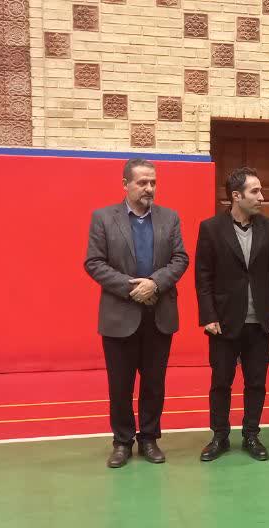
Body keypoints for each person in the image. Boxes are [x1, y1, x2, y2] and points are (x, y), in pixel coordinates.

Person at [84, 158, 189, 468]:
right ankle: (122, 442)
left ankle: (149, 439)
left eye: (153, 182)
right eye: (142, 182)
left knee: (154, 383)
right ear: (125, 184)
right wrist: (132, 288)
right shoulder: (103, 218)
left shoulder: (170, 218)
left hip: (159, 315)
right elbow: (94, 262)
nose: (149, 188)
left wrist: (154, 283)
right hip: (120, 316)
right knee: (120, 385)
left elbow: (180, 259)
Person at [195, 167, 269, 462]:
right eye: (254, 191)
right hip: (223, 322)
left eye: (260, 190)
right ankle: (219, 436)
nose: (261, 197)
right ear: (236, 195)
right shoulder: (211, 228)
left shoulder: (268, 228)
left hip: (259, 322)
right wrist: (208, 316)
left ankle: (251, 435)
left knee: (256, 382)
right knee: (221, 382)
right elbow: (203, 277)